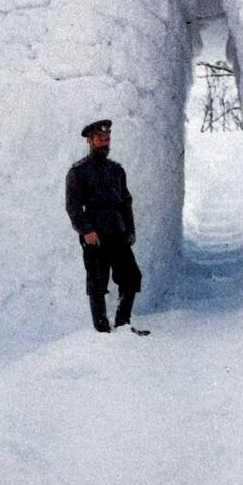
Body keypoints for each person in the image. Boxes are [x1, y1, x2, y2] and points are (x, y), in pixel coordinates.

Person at [66, 119, 143, 333]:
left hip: (117, 233)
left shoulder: (116, 170)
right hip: (95, 236)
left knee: (131, 276)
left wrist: (130, 229)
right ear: (90, 140)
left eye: (107, 139)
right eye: (100, 139)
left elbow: (125, 202)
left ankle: (123, 322)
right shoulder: (78, 172)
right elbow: (73, 207)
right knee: (98, 282)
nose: (104, 143)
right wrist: (86, 230)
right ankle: (101, 328)